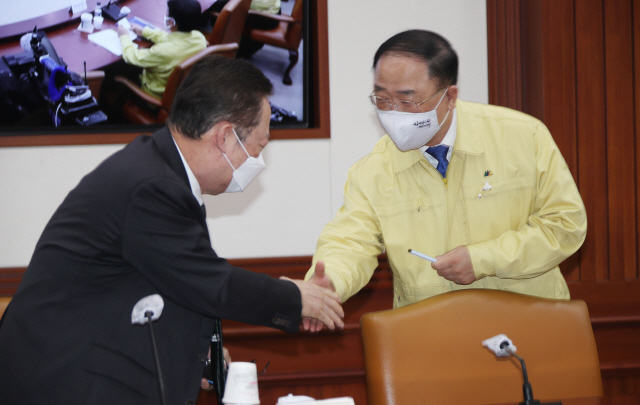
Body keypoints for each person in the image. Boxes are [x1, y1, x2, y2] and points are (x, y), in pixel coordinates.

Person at [0, 55, 344, 405]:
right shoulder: (152, 186)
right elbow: (211, 283)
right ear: (225, 137)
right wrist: (297, 298)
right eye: (259, 146)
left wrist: (198, 357)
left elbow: (166, 282)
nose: (259, 160)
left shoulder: (160, 172)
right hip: (64, 382)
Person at [304, 29, 586, 329]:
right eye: (382, 99)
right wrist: (329, 283)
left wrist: (483, 259)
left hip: (531, 325)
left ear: (449, 96)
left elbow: (565, 225)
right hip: (432, 336)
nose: (393, 113)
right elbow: (350, 243)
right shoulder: (373, 171)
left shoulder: (523, 136)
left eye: (407, 100)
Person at [117, 0, 207, 98]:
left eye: (168, 14)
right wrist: (144, 31)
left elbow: (133, 57)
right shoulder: (200, 38)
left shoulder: (162, 51)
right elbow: (171, 39)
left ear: (172, 22)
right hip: (181, 92)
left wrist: (124, 36)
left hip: (154, 97)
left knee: (120, 72)